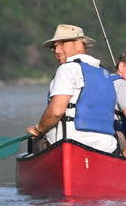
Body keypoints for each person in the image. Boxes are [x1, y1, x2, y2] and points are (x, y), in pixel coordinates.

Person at [27, 24, 118, 154]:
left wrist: (38, 130)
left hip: (71, 146)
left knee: (35, 142)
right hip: (108, 147)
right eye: (54, 47)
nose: (57, 51)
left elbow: (56, 112)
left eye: (62, 44)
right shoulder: (106, 74)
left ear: (79, 44)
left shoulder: (67, 69)